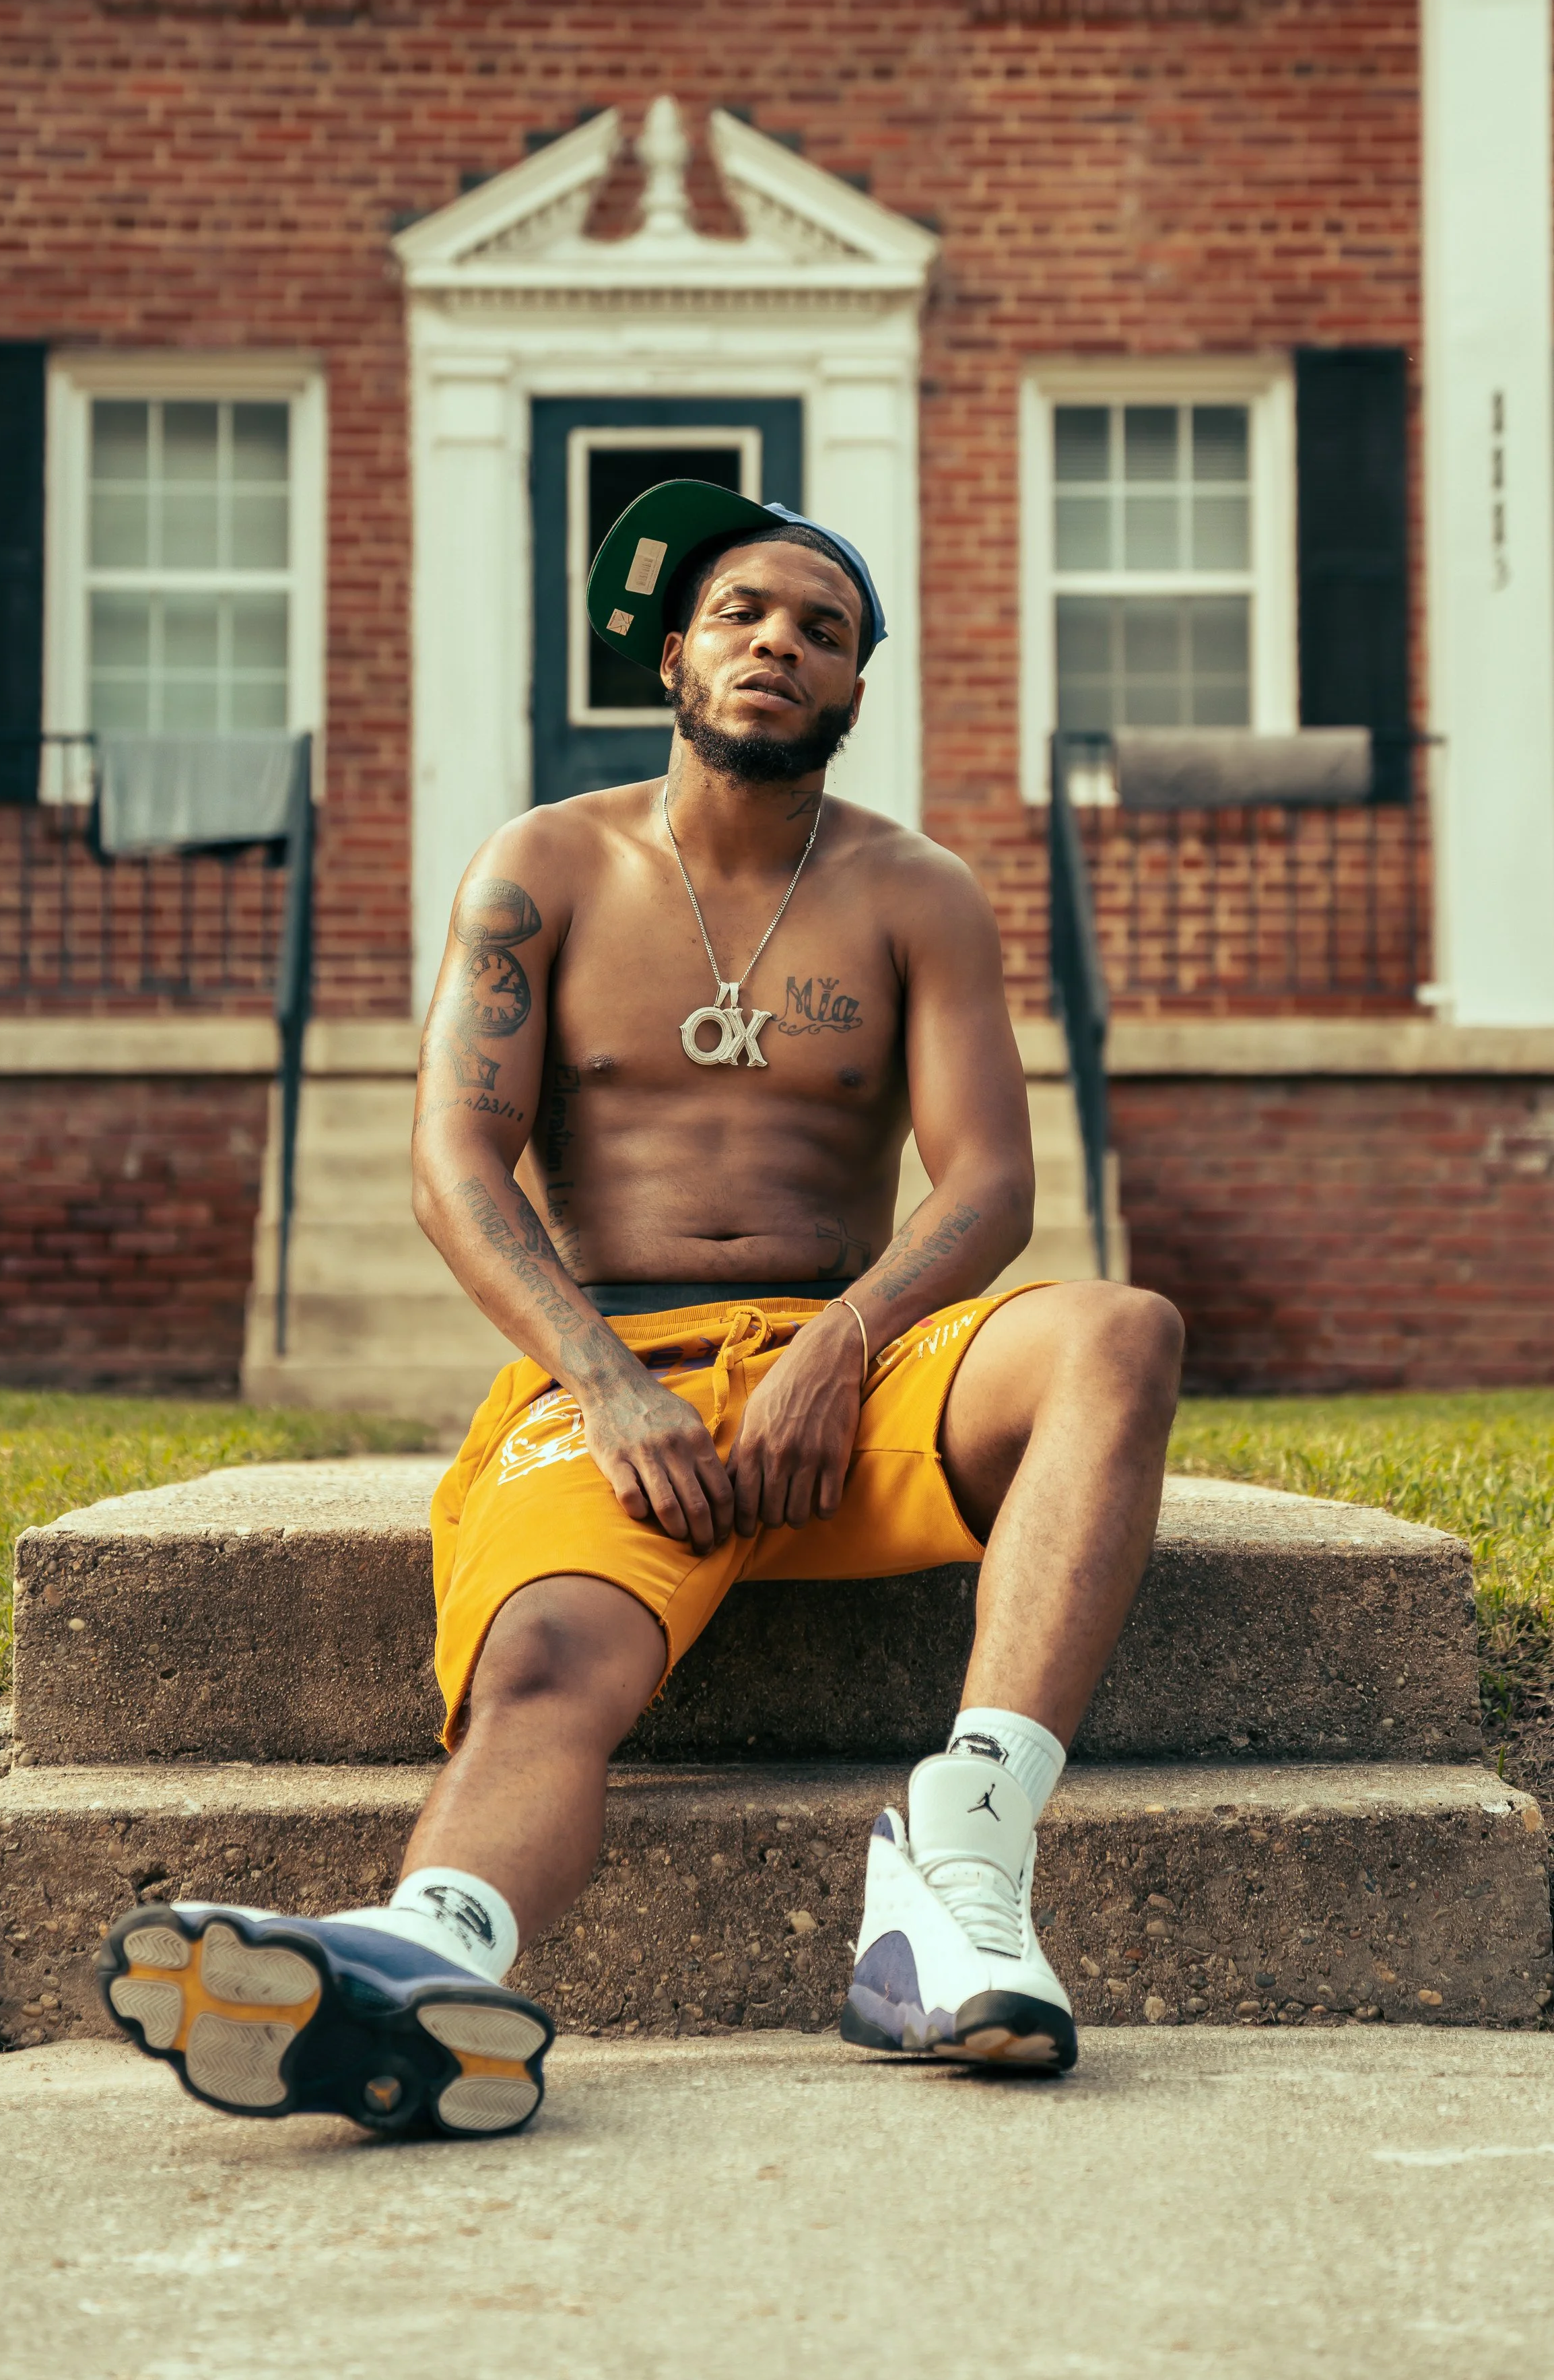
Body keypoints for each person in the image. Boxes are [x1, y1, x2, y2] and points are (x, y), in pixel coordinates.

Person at [97, 481, 1184, 2139]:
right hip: (627, 1367)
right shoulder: (543, 868)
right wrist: (600, 1378)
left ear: (855, 689)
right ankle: (427, 1955)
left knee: (1118, 1330)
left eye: (823, 628)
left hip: (860, 1370)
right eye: (744, 612)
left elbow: (986, 1189)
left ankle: (957, 1867)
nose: (778, 642)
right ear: (675, 653)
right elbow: (456, 1161)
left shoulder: (917, 892)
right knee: (543, 1662)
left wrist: (844, 1337)